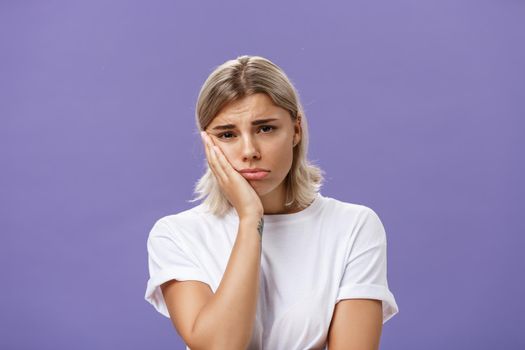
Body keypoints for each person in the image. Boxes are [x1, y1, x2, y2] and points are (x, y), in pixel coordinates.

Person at [144, 55, 399, 349]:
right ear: (208, 144)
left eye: (265, 128)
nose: (249, 151)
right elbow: (218, 346)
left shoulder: (353, 226)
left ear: (296, 130)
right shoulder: (177, 234)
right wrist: (250, 218)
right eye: (227, 134)